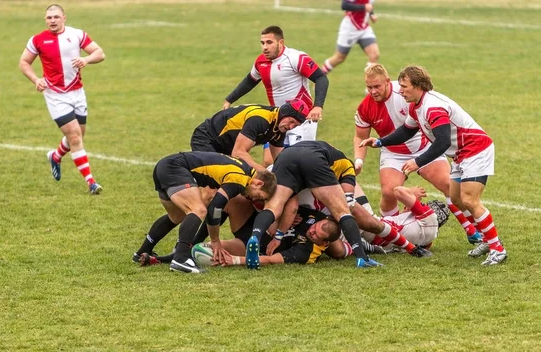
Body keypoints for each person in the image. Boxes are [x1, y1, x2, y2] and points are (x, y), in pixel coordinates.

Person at [360, 65, 507, 266]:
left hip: (475, 150)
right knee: (455, 197)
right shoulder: (415, 105)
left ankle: (497, 248)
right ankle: (484, 239)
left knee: (470, 199)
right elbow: (406, 130)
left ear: (419, 86)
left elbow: (442, 141)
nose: (400, 90)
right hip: (461, 154)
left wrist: (417, 162)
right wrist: (380, 142)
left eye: (404, 86)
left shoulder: (432, 107)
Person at [245, 140, 430, 270]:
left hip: (287, 157)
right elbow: (347, 202)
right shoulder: (345, 167)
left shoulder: (270, 175)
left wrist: (278, 234)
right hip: (314, 171)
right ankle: (362, 257)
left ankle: (255, 236)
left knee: (274, 207)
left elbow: (290, 205)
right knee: (345, 212)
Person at [132, 151, 277, 274]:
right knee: (198, 210)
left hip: (165, 166)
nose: (253, 199)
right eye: (258, 196)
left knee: (176, 216)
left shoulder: (242, 170)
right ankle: (181, 259)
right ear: (258, 183)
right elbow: (215, 208)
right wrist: (215, 241)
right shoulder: (240, 178)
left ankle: (142, 251)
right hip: (174, 168)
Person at [19, 4, 105, 194]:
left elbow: (100, 53)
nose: (52, 21)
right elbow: (24, 62)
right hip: (55, 94)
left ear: (64, 18)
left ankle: (55, 156)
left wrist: (86, 60)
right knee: (74, 136)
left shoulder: (76, 35)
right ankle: (91, 182)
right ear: (45, 20)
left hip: (77, 92)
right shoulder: (37, 40)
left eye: (56, 17)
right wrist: (36, 79)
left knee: (79, 135)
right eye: (49, 18)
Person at [222, 25, 328, 163]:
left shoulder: (296, 58)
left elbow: (321, 78)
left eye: (269, 42)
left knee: (297, 163)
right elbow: (250, 80)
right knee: (269, 161)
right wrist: (229, 99)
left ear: (281, 43)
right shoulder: (261, 62)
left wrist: (318, 106)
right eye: (262, 43)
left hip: (301, 121)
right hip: (277, 119)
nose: (265, 47)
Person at [190, 99, 310, 170]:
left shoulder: (280, 129)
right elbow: (238, 153)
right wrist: (262, 172)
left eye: (295, 125)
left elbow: (280, 161)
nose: (290, 127)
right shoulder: (260, 119)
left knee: (233, 182)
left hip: (226, 145)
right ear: (284, 113)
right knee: (214, 184)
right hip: (206, 138)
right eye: (291, 121)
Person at [322, 0, 379, 75]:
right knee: (339, 58)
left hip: (364, 28)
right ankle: (320, 76)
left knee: (374, 55)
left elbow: (368, 3)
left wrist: (371, 13)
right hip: (350, 27)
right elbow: (344, 5)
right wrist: (364, 7)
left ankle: (370, 89)